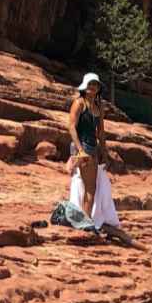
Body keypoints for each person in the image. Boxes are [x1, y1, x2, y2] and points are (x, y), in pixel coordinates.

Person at [68, 73, 107, 217]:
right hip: (82, 146)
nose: (93, 87)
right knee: (90, 188)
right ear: (85, 86)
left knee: (87, 186)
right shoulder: (79, 103)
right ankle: (86, 221)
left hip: (92, 148)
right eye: (90, 84)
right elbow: (71, 127)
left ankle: (83, 219)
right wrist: (80, 150)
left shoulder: (99, 106)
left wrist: (104, 152)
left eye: (95, 84)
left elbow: (101, 131)